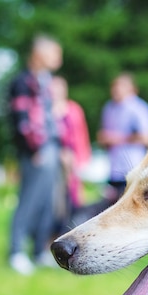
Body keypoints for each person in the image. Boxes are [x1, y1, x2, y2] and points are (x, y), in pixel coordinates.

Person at [8, 35, 63, 275]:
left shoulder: (46, 81)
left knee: (46, 203)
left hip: (51, 149)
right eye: (54, 53)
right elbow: (21, 121)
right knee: (28, 202)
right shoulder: (23, 82)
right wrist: (33, 149)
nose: (58, 59)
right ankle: (16, 252)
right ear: (39, 54)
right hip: (36, 152)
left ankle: (39, 252)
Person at [97, 73, 148, 199]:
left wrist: (120, 139)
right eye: (114, 86)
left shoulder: (139, 108)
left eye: (120, 86)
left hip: (133, 166)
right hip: (114, 169)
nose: (116, 90)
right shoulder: (109, 108)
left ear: (131, 88)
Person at [51, 76, 91, 210]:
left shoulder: (74, 109)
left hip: (72, 158)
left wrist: (81, 159)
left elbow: (81, 135)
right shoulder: (46, 110)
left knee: (74, 193)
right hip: (54, 158)